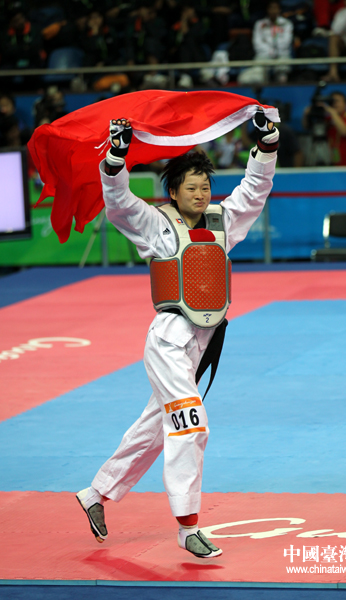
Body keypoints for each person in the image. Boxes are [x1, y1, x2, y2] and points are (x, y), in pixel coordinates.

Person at [76, 111, 279, 559]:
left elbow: (254, 190)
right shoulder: (155, 224)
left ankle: (96, 493)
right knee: (191, 423)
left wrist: (266, 148)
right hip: (168, 340)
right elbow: (118, 200)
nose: (201, 194)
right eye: (192, 188)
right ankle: (189, 527)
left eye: (205, 187)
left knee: (155, 428)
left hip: (202, 343)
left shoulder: (224, 221)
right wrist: (115, 159)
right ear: (173, 191)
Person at [303, 90, 346, 169]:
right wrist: (306, 115)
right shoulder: (328, 119)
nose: (334, 104)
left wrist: (332, 112)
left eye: (337, 101)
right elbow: (307, 127)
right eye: (332, 102)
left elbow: (345, 131)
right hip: (332, 163)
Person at [251, 0, 294, 83]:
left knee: (282, 75)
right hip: (264, 54)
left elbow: (286, 42)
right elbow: (257, 43)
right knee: (258, 75)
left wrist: (275, 51)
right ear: (267, 10)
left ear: (279, 10)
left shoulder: (287, 23)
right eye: (271, 8)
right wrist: (270, 52)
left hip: (282, 54)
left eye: (275, 8)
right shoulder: (259, 24)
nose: (273, 11)